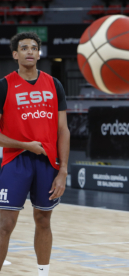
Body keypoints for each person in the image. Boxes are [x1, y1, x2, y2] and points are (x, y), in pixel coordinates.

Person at [0, 32, 70, 275]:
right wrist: (26, 144)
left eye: (34, 47)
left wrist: (63, 171)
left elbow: (63, 130)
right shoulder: (4, 85)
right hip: (15, 161)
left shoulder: (54, 84)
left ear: (39, 53)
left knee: (43, 219)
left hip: (47, 162)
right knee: (5, 224)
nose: (30, 51)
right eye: (24, 48)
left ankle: (43, 273)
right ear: (15, 54)